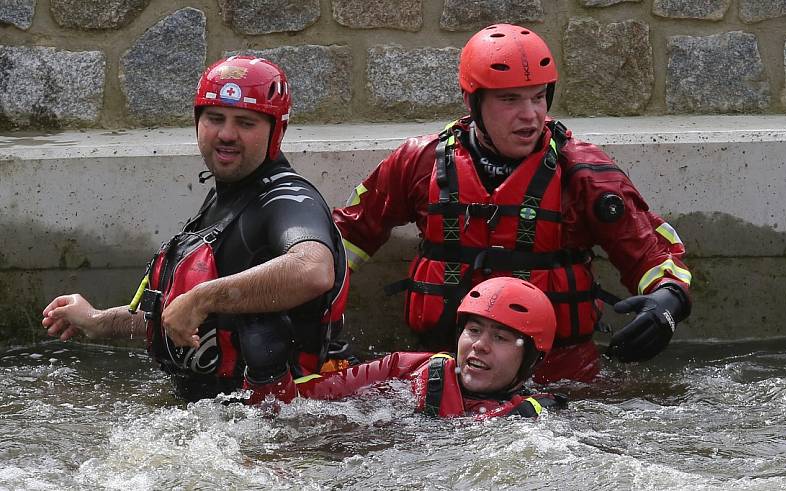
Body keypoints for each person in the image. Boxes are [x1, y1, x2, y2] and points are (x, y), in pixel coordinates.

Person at [332, 24, 692, 383]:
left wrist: (669, 303)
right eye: (510, 100)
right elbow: (344, 238)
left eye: (538, 97)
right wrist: (320, 317)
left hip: (558, 380)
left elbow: (654, 256)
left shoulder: (585, 174)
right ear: (472, 101)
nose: (530, 114)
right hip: (443, 371)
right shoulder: (419, 161)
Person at [41, 56, 350, 405]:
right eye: (215, 119)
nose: (227, 135)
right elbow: (189, 324)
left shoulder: (288, 200)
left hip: (294, 422)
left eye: (245, 123)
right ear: (198, 123)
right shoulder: (223, 200)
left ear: (276, 130)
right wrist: (98, 321)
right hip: (221, 420)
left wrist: (201, 298)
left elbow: (313, 270)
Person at [296, 277, 566, 419]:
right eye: (473, 330)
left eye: (500, 338)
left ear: (531, 358)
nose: (480, 345)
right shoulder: (404, 369)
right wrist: (267, 374)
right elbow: (298, 399)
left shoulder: (529, 419)